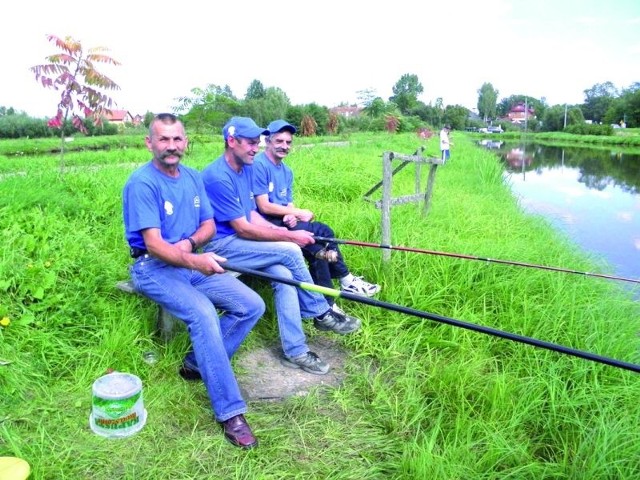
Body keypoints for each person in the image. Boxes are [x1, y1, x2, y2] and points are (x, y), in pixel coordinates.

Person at [122, 113, 264, 449]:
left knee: (251, 305)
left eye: (177, 139)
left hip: (188, 263)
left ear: (186, 142)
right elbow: (155, 245)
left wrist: (188, 248)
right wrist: (193, 258)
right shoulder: (142, 183)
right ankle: (230, 413)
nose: (171, 146)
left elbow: (209, 226)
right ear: (150, 143)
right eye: (163, 139)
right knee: (203, 314)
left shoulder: (192, 177)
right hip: (152, 268)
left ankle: (195, 364)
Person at [201, 116, 361, 376]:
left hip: (241, 241)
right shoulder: (218, 176)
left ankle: (295, 350)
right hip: (220, 245)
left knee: (285, 275)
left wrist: (278, 230)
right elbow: (242, 227)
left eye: (258, 142)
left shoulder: (245, 169)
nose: (256, 148)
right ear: (231, 141)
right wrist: (290, 237)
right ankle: (320, 312)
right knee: (290, 250)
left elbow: (252, 214)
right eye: (251, 143)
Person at [253, 119, 381, 310]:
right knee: (318, 240)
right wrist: (296, 212)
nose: (284, 146)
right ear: (268, 141)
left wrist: (293, 215)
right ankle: (338, 289)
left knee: (322, 236)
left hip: (283, 219)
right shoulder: (259, 165)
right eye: (279, 141)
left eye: (288, 142)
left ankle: (332, 296)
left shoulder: (286, 171)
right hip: (265, 223)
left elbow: (288, 202)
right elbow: (263, 206)